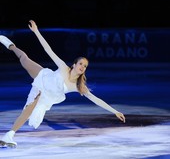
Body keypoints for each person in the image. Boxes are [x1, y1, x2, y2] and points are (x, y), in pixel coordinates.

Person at [0, 20, 125, 148]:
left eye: (85, 66)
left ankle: (9, 135)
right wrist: (36, 31)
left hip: (47, 95)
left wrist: (115, 111)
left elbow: (96, 100)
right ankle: (10, 45)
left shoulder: (78, 86)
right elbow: (48, 50)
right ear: (74, 64)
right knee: (24, 59)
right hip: (43, 77)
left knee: (30, 108)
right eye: (81, 63)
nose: (83, 67)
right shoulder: (63, 68)